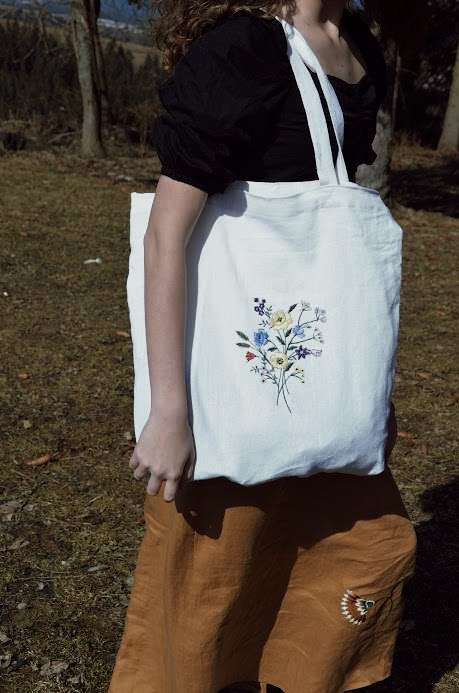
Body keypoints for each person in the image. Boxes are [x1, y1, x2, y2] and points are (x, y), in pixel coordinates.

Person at [109, 2, 417, 692]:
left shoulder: (356, 43)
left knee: (367, 547)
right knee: (209, 579)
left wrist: (362, 381)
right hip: (230, 385)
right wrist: (169, 410)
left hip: (319, 379)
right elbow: (166, 237)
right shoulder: (246, 45)